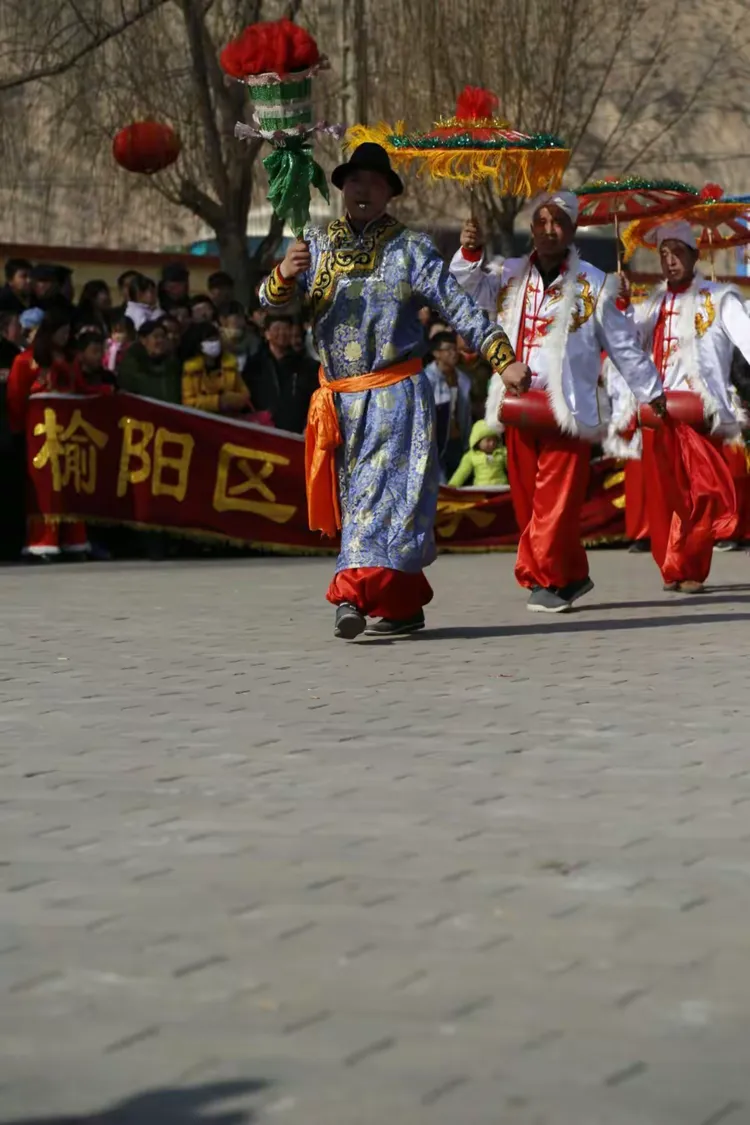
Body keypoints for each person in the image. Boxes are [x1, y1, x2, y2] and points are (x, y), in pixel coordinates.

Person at [260, 141, 527, 640]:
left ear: (389, 194)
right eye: (355, 181)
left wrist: (501, 358)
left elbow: (458, 305)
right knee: (371, 502)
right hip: (339, 401)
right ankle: (400, 600)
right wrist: (283, 274)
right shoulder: (314, 245)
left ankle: (350, 595)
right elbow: (268, 302)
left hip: (394, 398)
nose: (363, 190)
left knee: (373, 498)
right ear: (342, 188)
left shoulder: (412, 249)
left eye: (375, 183)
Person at [451, 191, 665, 613]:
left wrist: (652, 393)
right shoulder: (509, 273)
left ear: (571, 230)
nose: (549, 230)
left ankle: (546, 580)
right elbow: (466, 291)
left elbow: (624, 347)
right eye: (542, 221)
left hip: (568, 410)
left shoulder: (595, 282)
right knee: (529, 501)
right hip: (516, 405)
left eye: (559, 222)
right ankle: (569, 575)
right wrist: (470, 249)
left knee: (555, 503)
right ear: (531, 229)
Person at [610, 219, 750, 592]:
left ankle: (690, 567)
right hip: (658, 410)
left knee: (699, 492)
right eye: (664, 253)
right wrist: (620, 302)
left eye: (678, 252)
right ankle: (671, 565)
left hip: (699, 412)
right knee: (664, 494)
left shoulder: (719, 298)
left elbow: (747, 336)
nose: (670, 260)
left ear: (694, 255)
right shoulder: (651, 303)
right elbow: (624, 343)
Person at [24, 330, 111, 562]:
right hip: (43, 437)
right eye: (60, 330)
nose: (64, 335)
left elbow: (79, 389)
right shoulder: (26, 361)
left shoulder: (69, 363)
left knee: (71, 487)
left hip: (68, 435)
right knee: (47, 492)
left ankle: (73, 541)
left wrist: (103, 392)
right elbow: (18, 394)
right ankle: (44, 542)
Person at [245, 314, 318, 434]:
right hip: (261, 430)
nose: (282, 333)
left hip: (296, 432)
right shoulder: (254, 365)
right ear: (267, 333)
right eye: (277, 329)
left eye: (286, 329)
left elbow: (315, 398)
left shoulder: (306, 365)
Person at [424, 330, 473, 481]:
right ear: (436, 353)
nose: (454, 353)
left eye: (455, 349)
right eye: (448, 350)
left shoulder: (463, 379)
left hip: (458, 443)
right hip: (434, 446)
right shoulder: (425, 380)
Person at [181, 321, 251, 414]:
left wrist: (232, 399)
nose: (214, 343)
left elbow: (244, 394)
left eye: (216, 339)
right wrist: (217, 401)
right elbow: (188, 402)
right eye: (210, 340)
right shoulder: (191, 370)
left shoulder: (229, 364)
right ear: (199, 345)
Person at [118, 319, 182, 404]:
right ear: (143, 340)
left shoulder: (172, 365)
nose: (160, 341)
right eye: (156, 337)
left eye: (163, 337)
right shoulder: (132, 365)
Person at [449, 420, 509, 487]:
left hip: (501, 488)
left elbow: (512, 468)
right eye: (488, 440)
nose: (492, 443)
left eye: (494, 440)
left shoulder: (502, 452)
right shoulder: (471, 456)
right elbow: (462, 472)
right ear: (478, 441)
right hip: (480, 489)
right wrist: (453, 485)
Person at [218, 301, 260, 374]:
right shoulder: (216, 339)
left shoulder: (252, 339)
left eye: (242, 317)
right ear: (222, 319)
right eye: (237, 317)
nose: (241, 321)